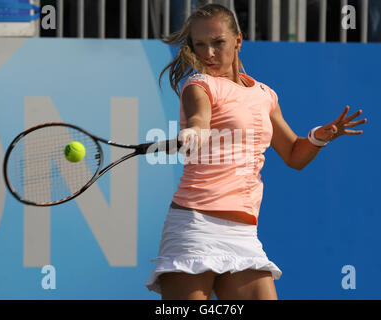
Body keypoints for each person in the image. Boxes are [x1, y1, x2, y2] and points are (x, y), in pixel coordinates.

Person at [146, 3, 367, 300]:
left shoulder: (264, 95)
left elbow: (293, 154)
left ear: (238, 40)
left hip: (243, 232)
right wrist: (195, 131)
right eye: (200, 45)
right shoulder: (198, 86)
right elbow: (199, 118)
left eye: (217, 43)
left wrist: (319, 137)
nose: (209, 53)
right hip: (195, 226)